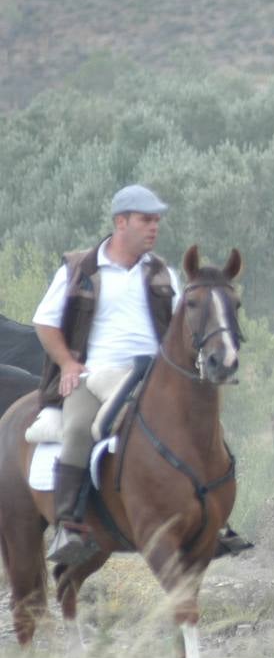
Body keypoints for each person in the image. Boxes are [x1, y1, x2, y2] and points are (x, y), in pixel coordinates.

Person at [33, 184, 180, 565]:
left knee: (200, 427)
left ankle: (209, 517)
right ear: (121, 222)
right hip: (94, 377)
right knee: (80, 427)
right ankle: (68, 524)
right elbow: (45, 323)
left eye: (157, 221)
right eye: (146, 220)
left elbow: (181, 327)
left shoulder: (162, 272)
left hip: (152, 378)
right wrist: (67, 363)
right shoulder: (79, 268)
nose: (154, 228)